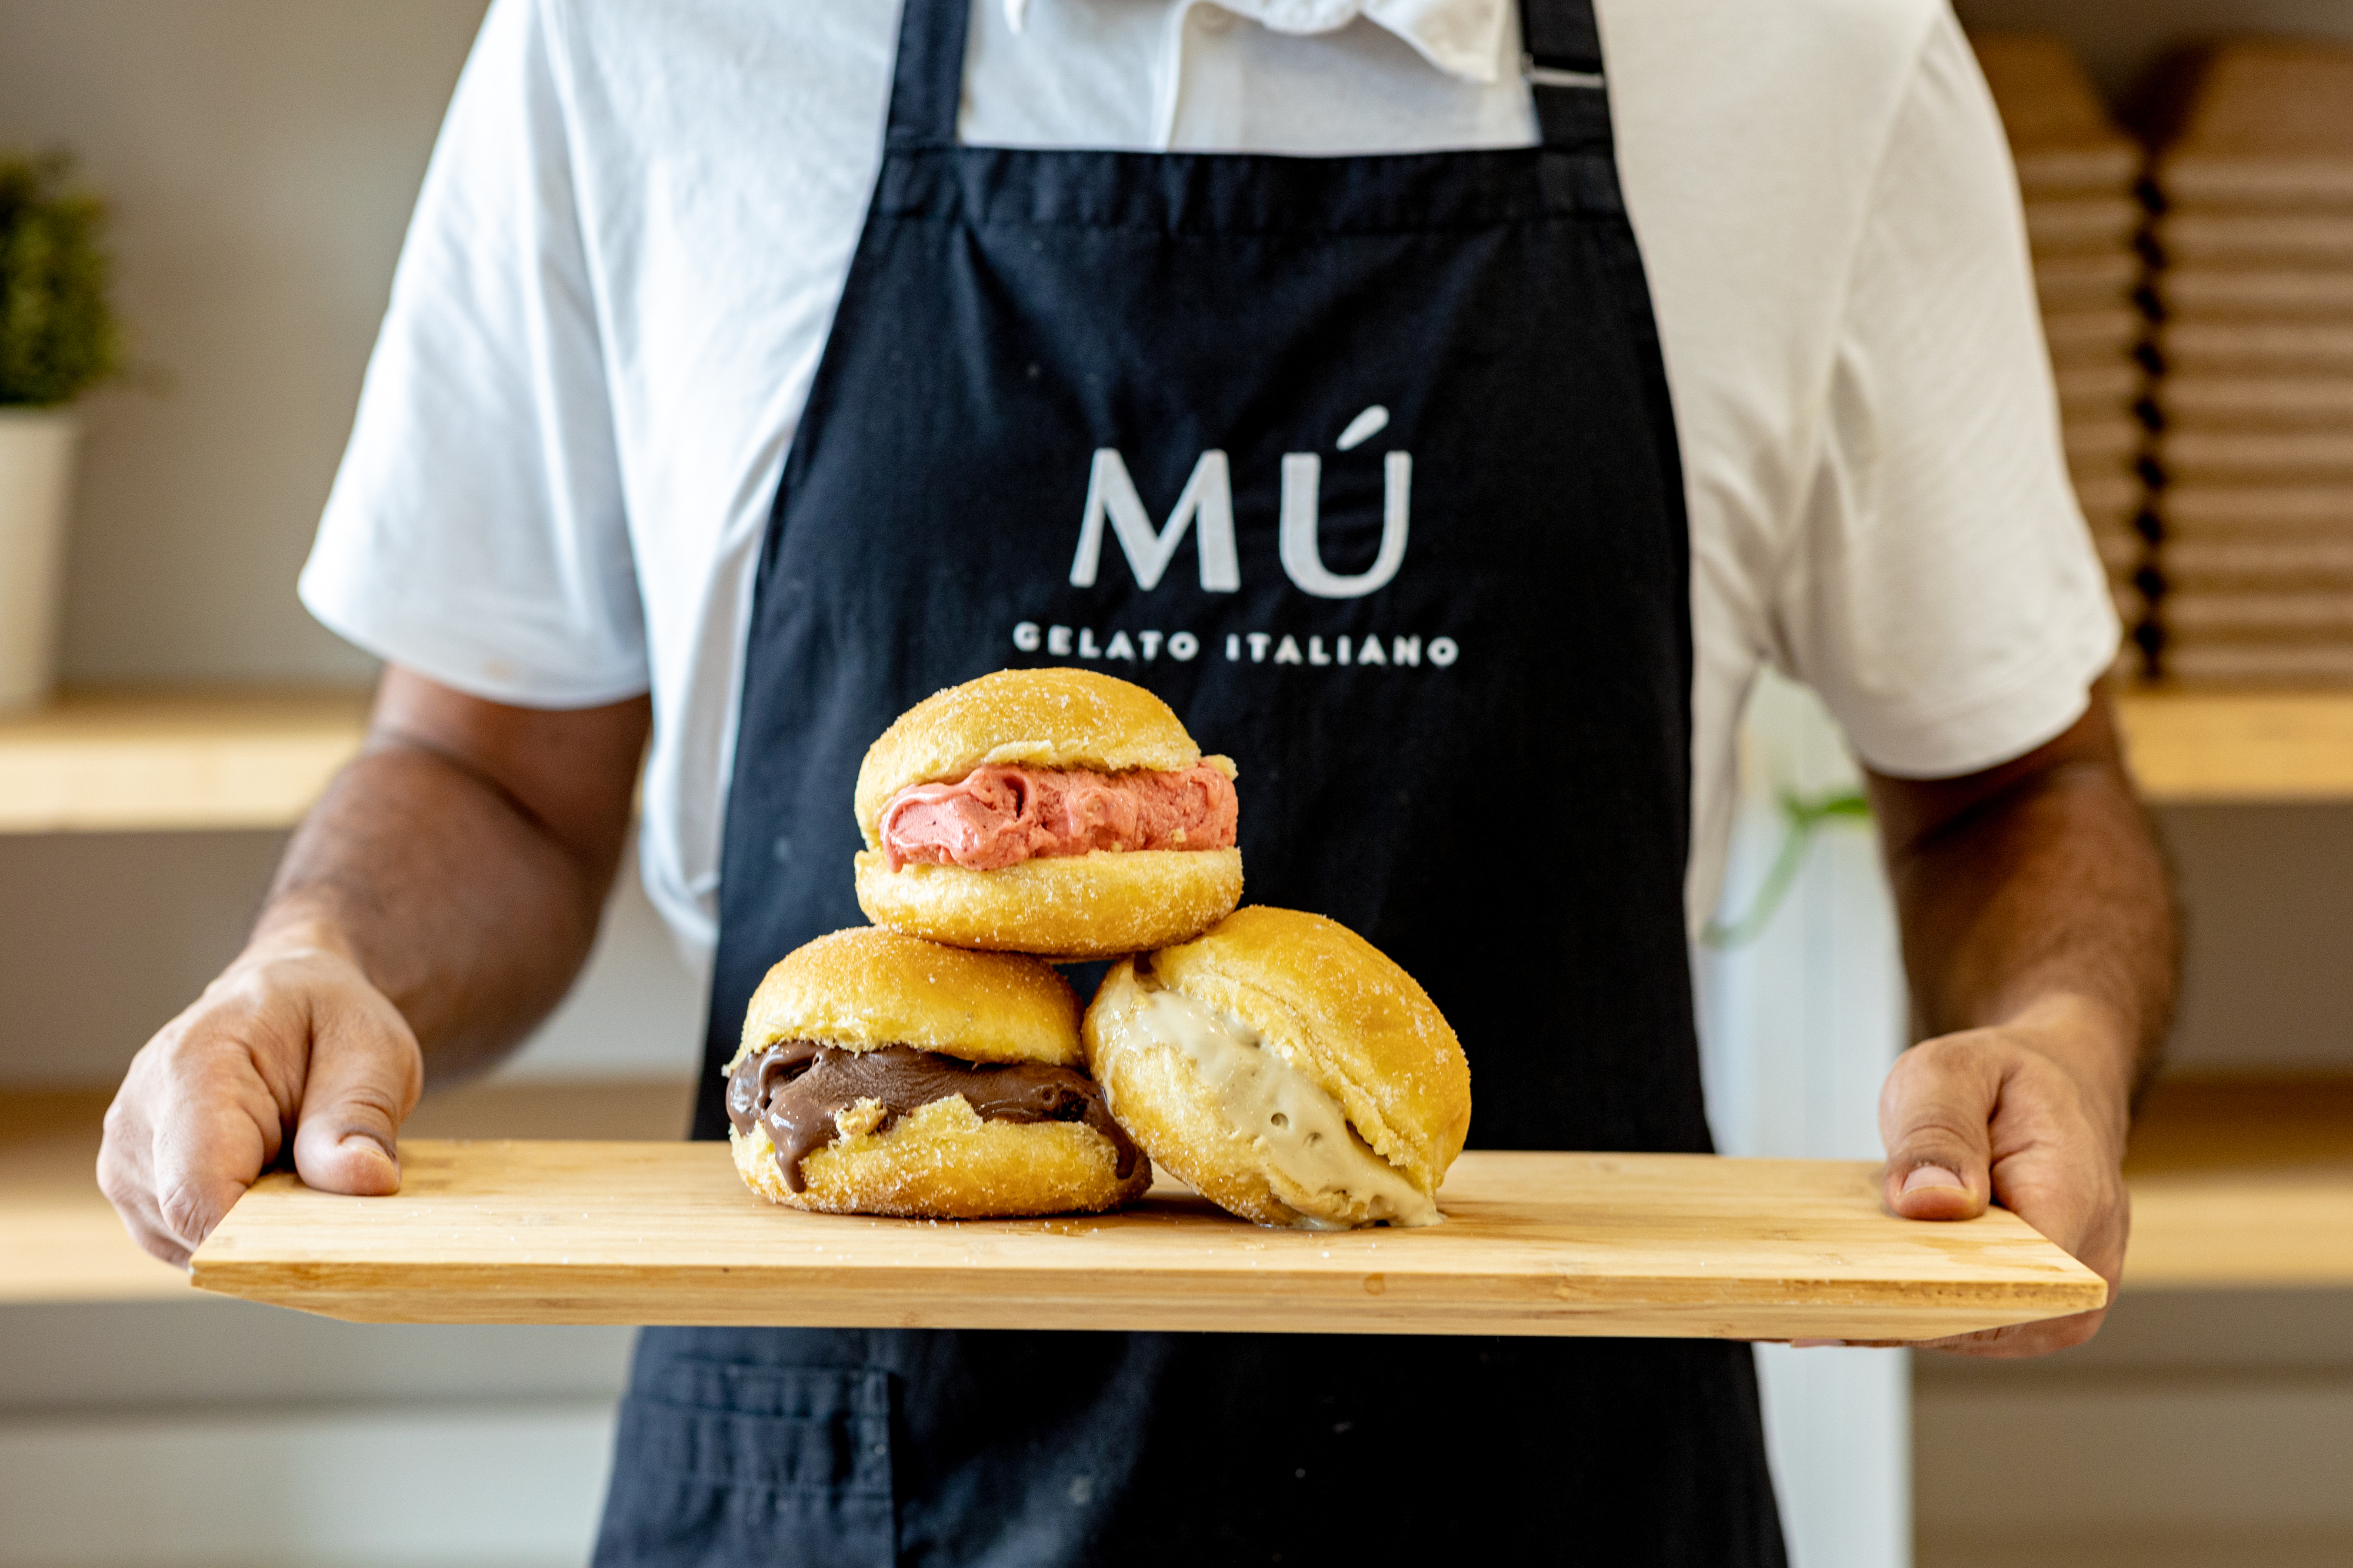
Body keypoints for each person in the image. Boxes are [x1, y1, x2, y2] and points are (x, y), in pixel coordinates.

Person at [99, 0, 2177, 1560]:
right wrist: (317, 954)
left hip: (1553, 1474)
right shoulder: (647, 38)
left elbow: (2016, 780)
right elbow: (488, 768)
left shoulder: (1813, 55)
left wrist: (2060, 1034)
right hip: (850, 1480)